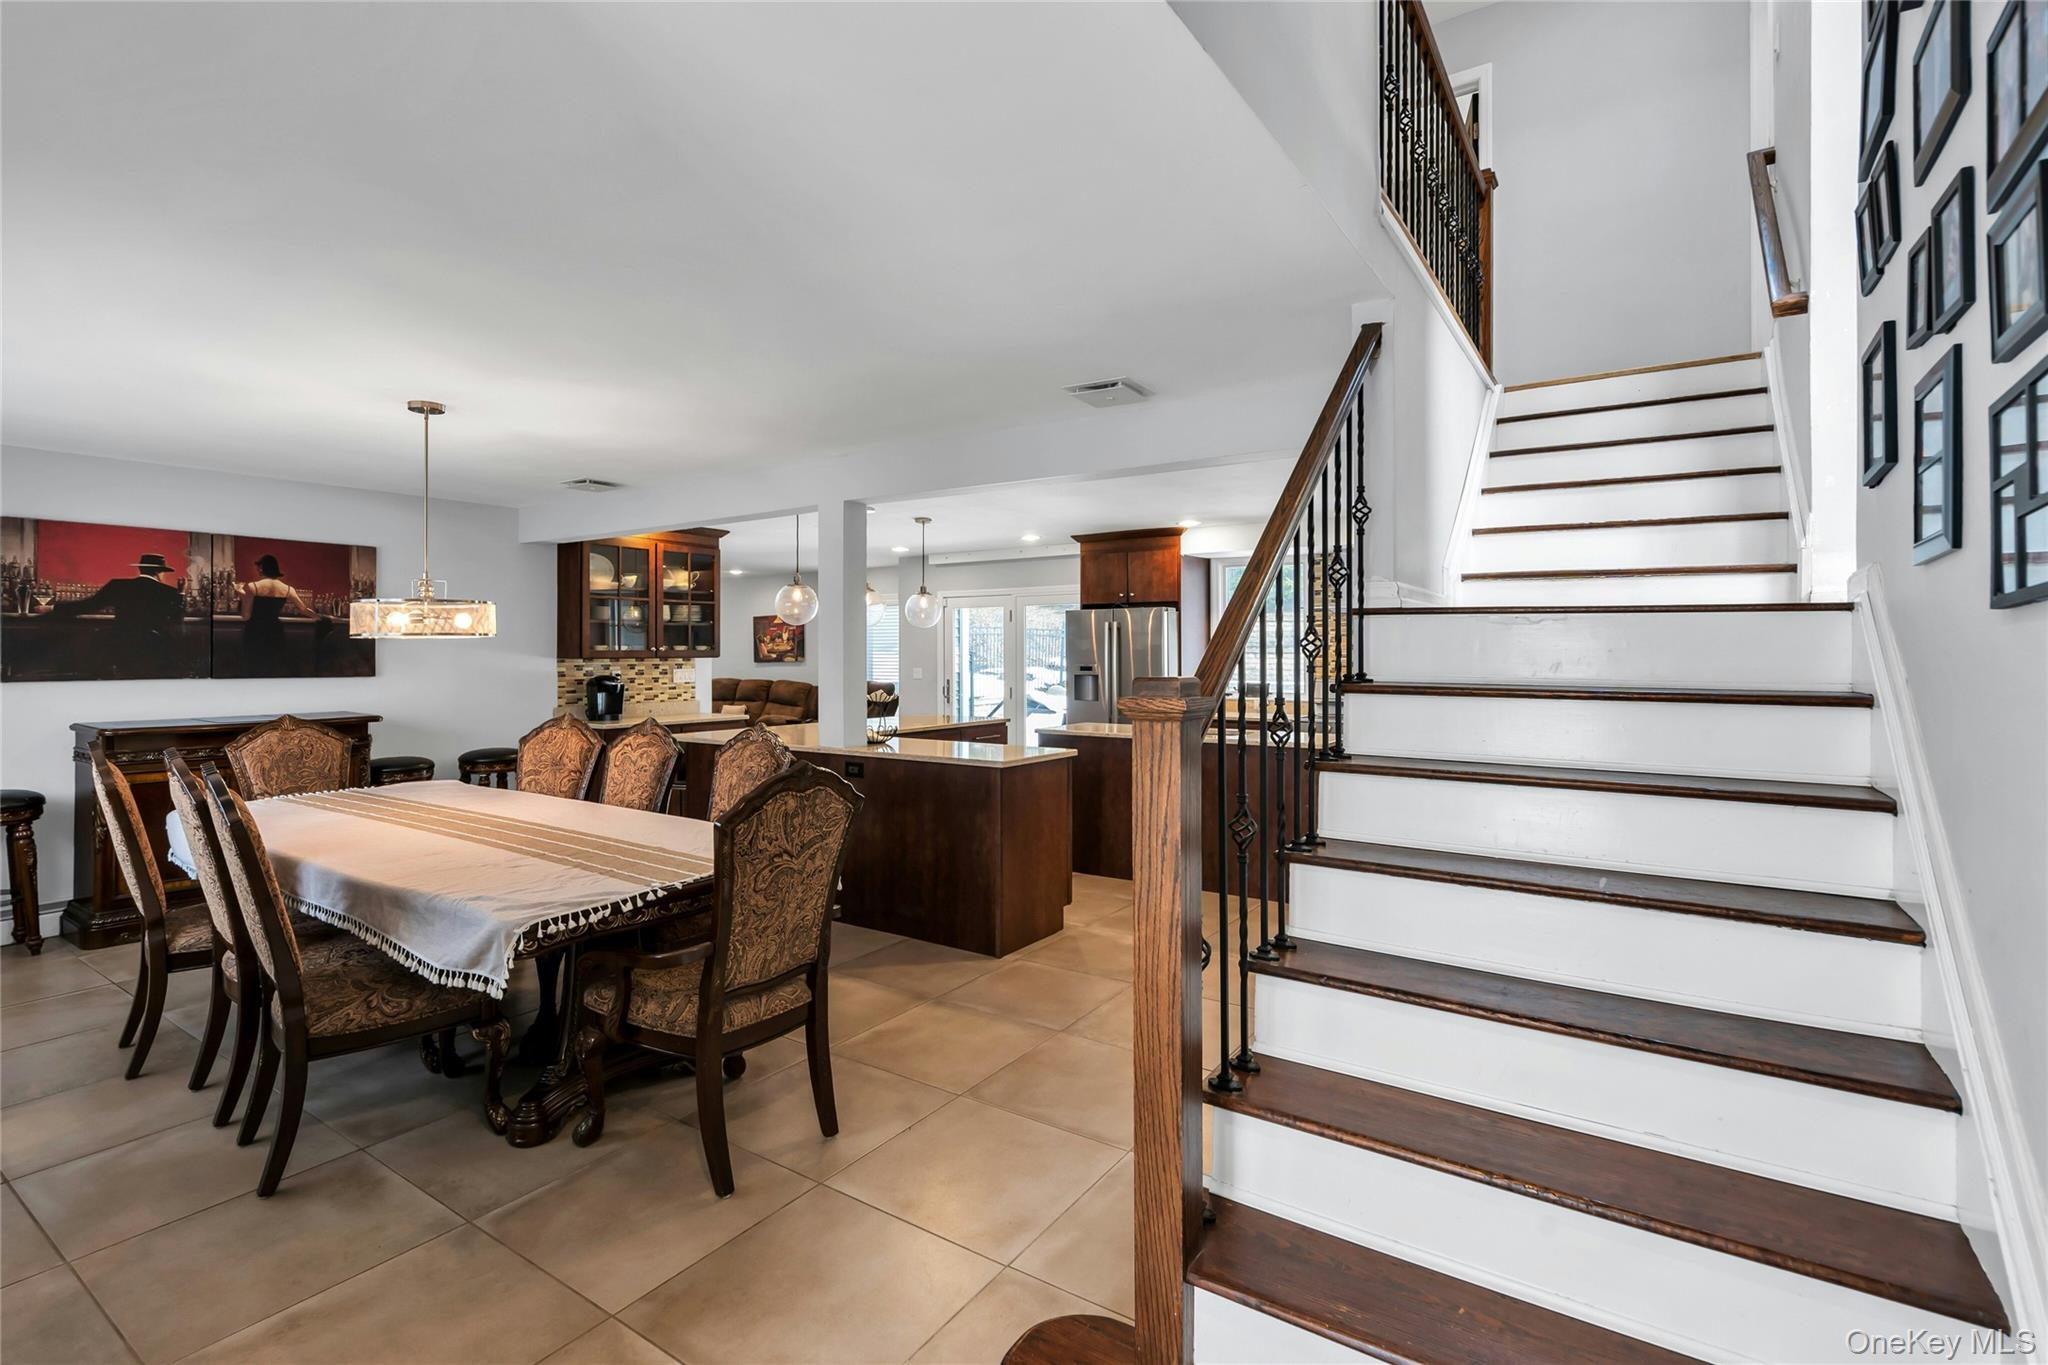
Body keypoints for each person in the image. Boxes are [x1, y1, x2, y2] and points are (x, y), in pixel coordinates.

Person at [53, 552, 186, 676]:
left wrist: (53, 608)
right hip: (153, 649)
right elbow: (176, 618)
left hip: (121, 646)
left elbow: (87, 606)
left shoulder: (117, 585)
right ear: (158, 572)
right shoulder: (169, 592)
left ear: (140, 569)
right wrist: (181, 593)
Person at [237, 554, 315, 675]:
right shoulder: (288, 589)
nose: (257, 570)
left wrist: (240, 593)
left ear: (262, 568)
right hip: (275, 632)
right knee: (274, 668)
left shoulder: (252, 587)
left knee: (254, 669)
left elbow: (245, 616)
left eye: (259, 567)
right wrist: (319, 617)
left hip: (255, 631)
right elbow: (304, 609)